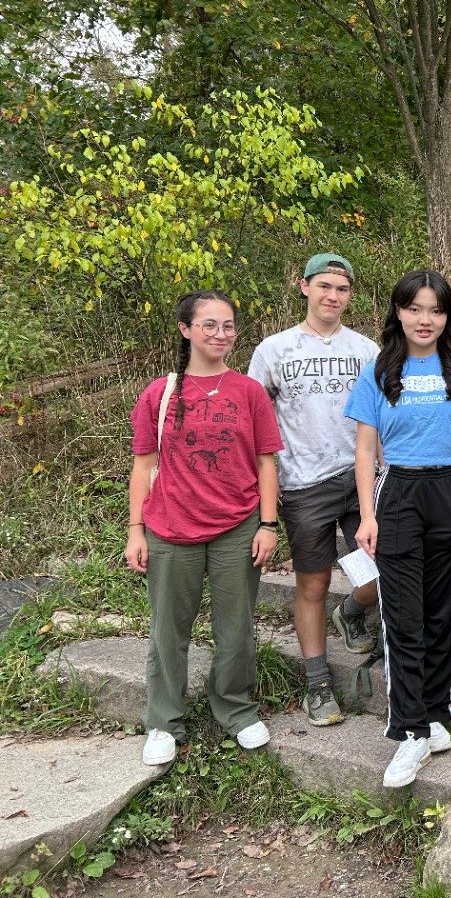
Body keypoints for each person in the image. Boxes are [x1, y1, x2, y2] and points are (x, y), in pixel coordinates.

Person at [344, 270, 451, 788]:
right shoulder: (379, 371)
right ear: (399, 313)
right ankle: (408, 731)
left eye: (435, 310)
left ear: (447, 316)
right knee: (404, 616)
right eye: (414, 308)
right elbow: (365, 448)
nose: (424, 319)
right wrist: (367, 515)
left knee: (441, 611)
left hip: (449, 492)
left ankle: (433, 714)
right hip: (398, 493)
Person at [125, 291, 283, 767]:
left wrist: (269, 524)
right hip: (170, 529)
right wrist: (136, 530)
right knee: (167, 631)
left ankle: (236, 710)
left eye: (229, 326)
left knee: (235, 628)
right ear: (185, 329)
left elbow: (266, 461)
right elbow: (142, 466)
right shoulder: (159, 394)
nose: (221, 334)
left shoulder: (248, 392)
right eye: (210, 325)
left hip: (237, 525)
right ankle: (162, 720)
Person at [248, 253, 379, 729]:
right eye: (324, 286)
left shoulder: (366, 350)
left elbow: (379, 415)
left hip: (359, 476)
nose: (332, 296)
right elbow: (255, 417)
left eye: (341, 289)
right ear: (304, 287)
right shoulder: (275, 350)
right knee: (313, 583)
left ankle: (352, 613)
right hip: (304, 484)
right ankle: (317, 683)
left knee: (377, 576)